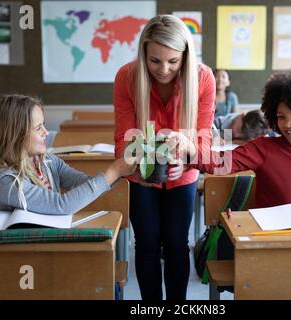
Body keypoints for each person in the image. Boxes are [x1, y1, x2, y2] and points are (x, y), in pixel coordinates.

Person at [113, 14, 215, 300]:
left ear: (185, 55)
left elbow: (204, 137)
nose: (164, 70)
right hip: (140, 175)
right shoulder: (126, 76)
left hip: (183, 175)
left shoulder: (204, 77)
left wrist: (188, 153)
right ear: (143, 52)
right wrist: (140, 166)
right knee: (145, 243)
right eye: (155, 60)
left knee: (176, 244)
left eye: (173, 61)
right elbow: (123, 135)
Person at [194, 69, 291, 208]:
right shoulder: (263, 147)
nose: (287, 123)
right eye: (281, 117)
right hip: (265, 233)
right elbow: (219, 163)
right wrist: (189, 152)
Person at [0, 94, 135, 214]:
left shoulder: (48, 162)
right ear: (14, 135)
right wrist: (114, 171)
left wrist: (123, 170)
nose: (46, 132)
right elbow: (61, 205)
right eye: (38, 128)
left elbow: (83, 182)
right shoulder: (6, 183)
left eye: (43, 125)